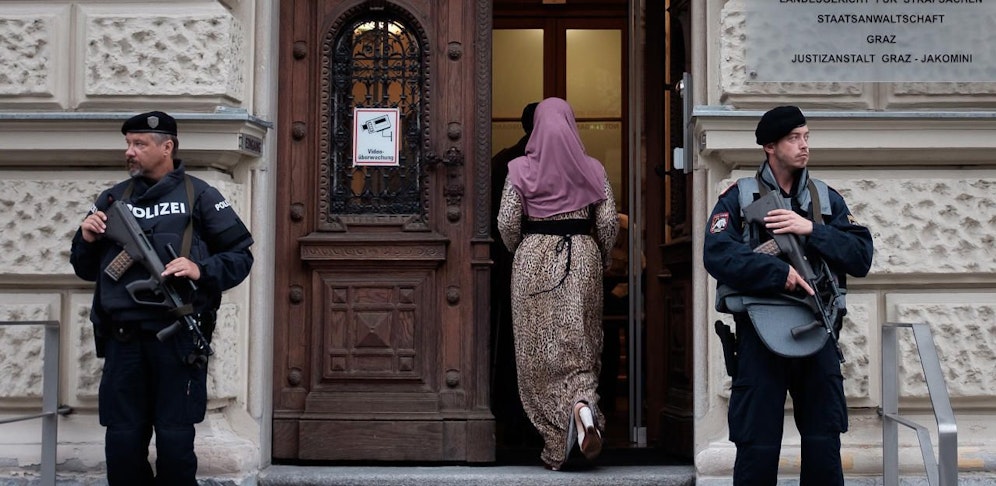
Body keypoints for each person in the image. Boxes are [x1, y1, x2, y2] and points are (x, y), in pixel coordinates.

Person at [70, 111, 254, 485]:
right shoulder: (111, 198)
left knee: (174, 440)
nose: (130, 152)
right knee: (122, 440)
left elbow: (241, 257)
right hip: (123, 340)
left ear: (166, 147)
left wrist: (200, 270)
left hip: (177, 339)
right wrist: (86, 238)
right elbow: (86, 269)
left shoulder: (200, 195)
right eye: (128, 144)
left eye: (140, 144)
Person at [703, 106, 873, 485]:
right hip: (760, 333)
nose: (804, 146)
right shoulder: (739, 197)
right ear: (770, 146)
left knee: (823, 445)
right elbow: (716, 254)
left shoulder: (827, 200)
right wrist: (781, 274)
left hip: (818, 329)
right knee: (757, 449)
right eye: (794, 138)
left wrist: (809, 228)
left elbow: (861, 256)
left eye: (807, 137)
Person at [497, 97, 619, 470]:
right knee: (580, 343)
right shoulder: (593, 168)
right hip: (581, 257)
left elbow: (506, 220)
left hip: (533, 260)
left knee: (538, 353)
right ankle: (582, 407)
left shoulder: (518, 167)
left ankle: (555, 442)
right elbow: (609, 221)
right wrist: (603, 256)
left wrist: (523, 250)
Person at [490, 102, 539, 448]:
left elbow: (504, 223)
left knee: (511, 338)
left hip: (511, 262)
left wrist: (515, 250)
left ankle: (510, 415)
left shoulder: (504, 161)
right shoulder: (578, 162)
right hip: (569, 264)